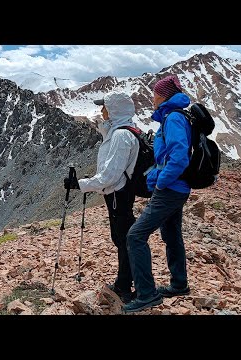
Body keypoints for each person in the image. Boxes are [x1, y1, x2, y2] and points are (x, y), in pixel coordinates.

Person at [123, 74, 192, 313]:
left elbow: (179, 156)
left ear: (162, 96)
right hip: (178, 188)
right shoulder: (175, 116)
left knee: (135, 236)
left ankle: (147, 294)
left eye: (154, 94)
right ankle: (179, 284)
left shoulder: (173, 118)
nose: (152, 98)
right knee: (171, 233)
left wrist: (161, 182)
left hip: (170, 189)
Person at [64, 91, 139, 303]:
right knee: (122, 238)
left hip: (118, 193)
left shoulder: (120, 136)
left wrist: (81, 185)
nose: (101, 110)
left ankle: (125, 286)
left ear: (114, 109)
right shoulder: (120, 132)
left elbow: (110, 175)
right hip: (118, 192)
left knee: (123, 238)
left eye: (104, 106)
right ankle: (126, 282)